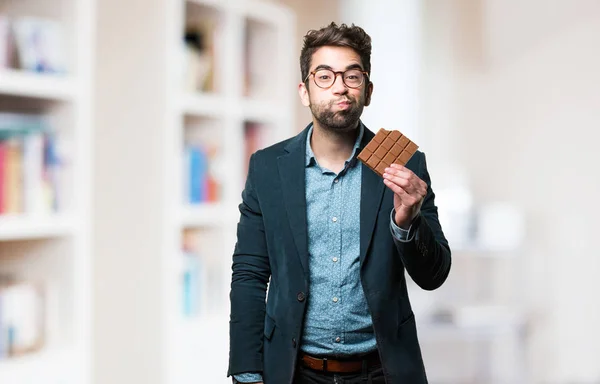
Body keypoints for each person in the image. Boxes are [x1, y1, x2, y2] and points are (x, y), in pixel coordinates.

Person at [228, 22, 451, 384]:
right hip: (295, 371)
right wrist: (247, 372)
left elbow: (435, 275)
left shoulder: (405, 165)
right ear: (305, 91)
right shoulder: (268, 168)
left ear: (368, 89)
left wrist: (407, 222)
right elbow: (250, 274)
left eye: (352, 75)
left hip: (382, 370)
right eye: (325, 76)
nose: (340, 88)